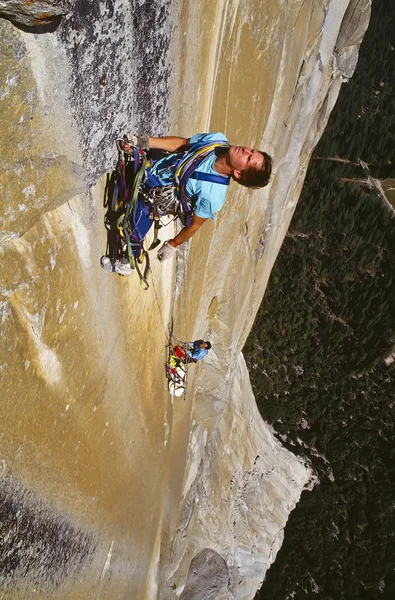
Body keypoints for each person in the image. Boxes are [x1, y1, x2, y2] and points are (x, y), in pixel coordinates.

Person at [103, 132, 272, 275]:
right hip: (156, 170)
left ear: (239, 174)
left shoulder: (213, 195)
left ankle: (126, 263)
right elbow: (183, 144)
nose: (246, 151)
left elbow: (194, 225)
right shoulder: (217, 141)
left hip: (156, 197)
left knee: (135, 228)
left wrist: (172, 244)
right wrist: (145, 142)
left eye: (249, 158)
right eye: (252, 151)